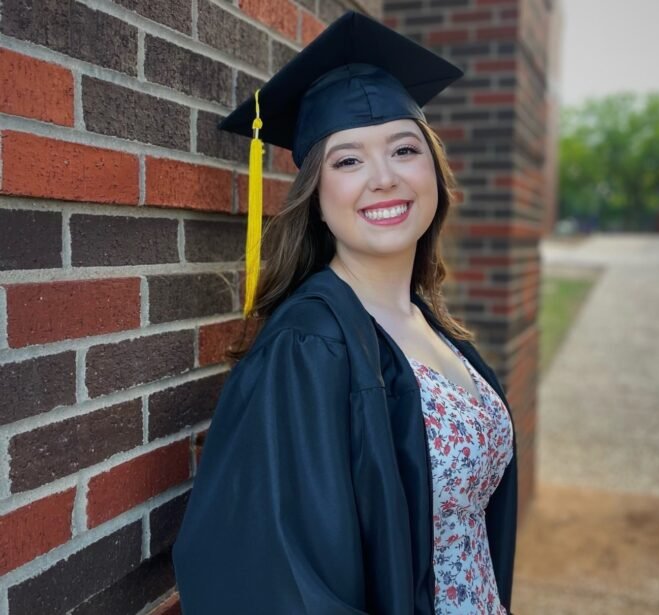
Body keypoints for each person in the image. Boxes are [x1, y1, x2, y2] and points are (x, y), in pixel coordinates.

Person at [172, 10, 518, 615]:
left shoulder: (431, 325)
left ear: (433, 171)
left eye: (404, 149)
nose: (384, 178)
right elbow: (274, 579)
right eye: (348, 160)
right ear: (317, 198)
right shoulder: (308, 347)